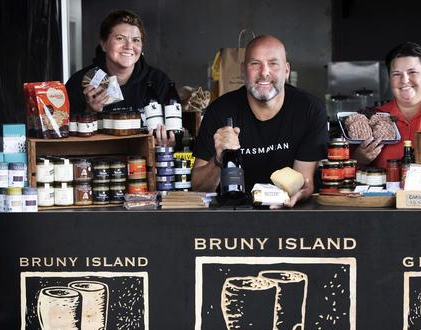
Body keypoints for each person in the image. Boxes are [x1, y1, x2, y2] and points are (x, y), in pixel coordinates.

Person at [192, 35, 327, 207]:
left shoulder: (309, 110)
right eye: (255, 63)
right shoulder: (220, 110)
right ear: (243, 70)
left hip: (292, 216)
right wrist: (219, 159)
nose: (264, 72)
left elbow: (303, 182)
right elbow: (199, 188)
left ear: (286, 71)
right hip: (231, 217)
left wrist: (295, 194)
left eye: (273, 63)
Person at [65, 9, 179, 145]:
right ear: (103, 43)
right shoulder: (80, 82)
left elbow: (173, 128)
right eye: (120, 38)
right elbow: (68, 140)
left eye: (136, 40)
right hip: (97, 160)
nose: (129, 46)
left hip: (146, 159)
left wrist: (169, 142)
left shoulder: (158, 80)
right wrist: (90, 111)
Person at [353, 42, 421, 168]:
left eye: (412, 72)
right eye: (396, 74)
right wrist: (359, 160)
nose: (404, 80)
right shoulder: (372, 118)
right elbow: (348, 172)